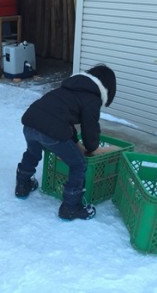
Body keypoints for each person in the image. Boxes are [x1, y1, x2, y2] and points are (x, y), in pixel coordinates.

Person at [14, 64, 117, 221]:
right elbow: (90, 128)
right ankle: (71, 207)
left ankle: (22, 185)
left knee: (32, 153)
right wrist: (91, 148)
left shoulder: (69, 88)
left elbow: (64, 120)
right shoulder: (92, 98)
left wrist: (75, 142)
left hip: (30, 122)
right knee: (78, 165)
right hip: (50, 130)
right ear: (108, 87)